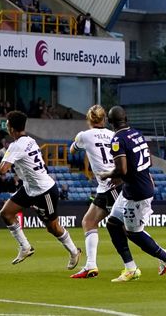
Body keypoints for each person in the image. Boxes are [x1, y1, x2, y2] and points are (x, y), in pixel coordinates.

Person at [0, 110, 81, 271]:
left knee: (52, 227)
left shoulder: (17, 145)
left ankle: (74, 251)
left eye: (7, 124)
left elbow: (2, 169)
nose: (6, 126)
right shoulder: (30, 140)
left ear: (11, 128)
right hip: (29, 188)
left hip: (44, 190)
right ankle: (25, 247)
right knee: (6, 213)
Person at [99, 106, 166, 282]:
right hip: (133, 187)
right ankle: (131, 268)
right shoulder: (137, 134)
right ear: (126, 118)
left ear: (110, 122)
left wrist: (107, 174)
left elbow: (121, 169)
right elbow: (149, 161)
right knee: (113, 224)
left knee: (134, 233)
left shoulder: (118, 139)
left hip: (137, 192)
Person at [67, 105, 118, 279]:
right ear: (104, 119)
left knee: (130, 229)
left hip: (112, 187)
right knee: (88, 221)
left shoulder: (84, 136)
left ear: (89, 120)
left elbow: (72, 150)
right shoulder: (113, 135)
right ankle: (90, 265)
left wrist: (77, 144)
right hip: (108, 186)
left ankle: (165, 256)